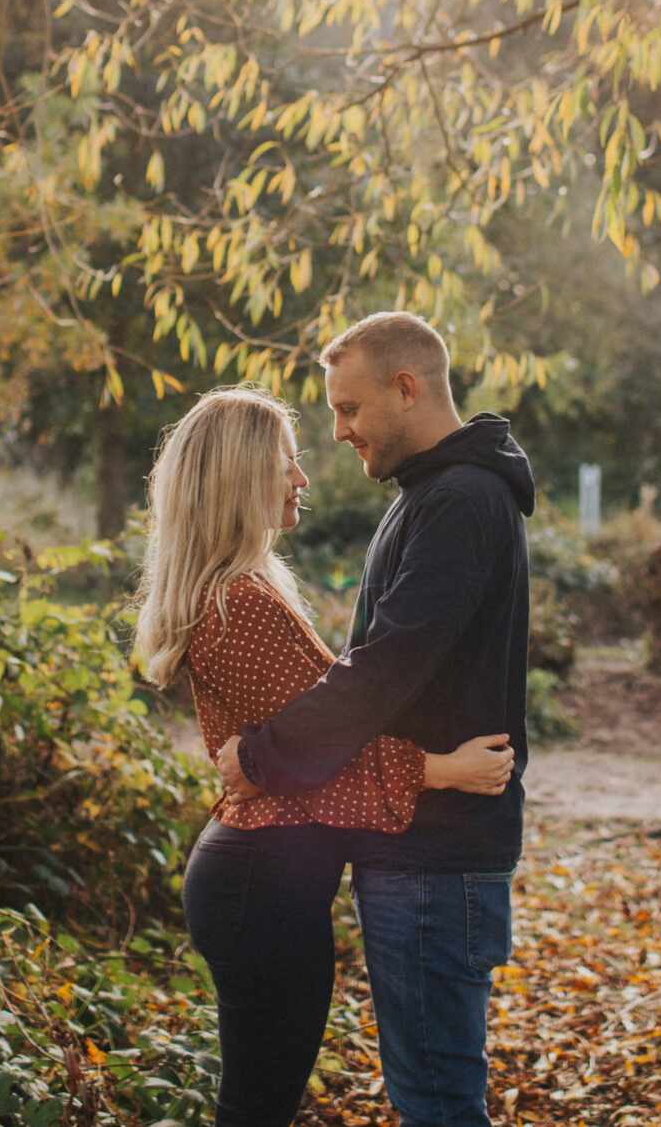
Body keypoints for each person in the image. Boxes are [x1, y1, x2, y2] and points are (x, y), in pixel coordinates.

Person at [134, 384, 515, 1127]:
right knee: (257, 1106)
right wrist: (442, 769)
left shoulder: (249, 588)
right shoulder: (236, 602)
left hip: (263, 884)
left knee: (260, 1102)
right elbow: (322, 754)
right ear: (239, 477)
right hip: (258, 889)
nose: (301, 477)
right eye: (286, 462)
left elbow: (314, 735)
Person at [214, 312, 533, 1127]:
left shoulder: (458, 500)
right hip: (420, 845)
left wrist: (264, 755)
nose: (339, 430)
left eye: (350, 408)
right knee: (430, 1093)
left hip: (438, 853)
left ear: (407, 387)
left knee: (436, 1101)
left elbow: (383, 668)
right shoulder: (431, 494)